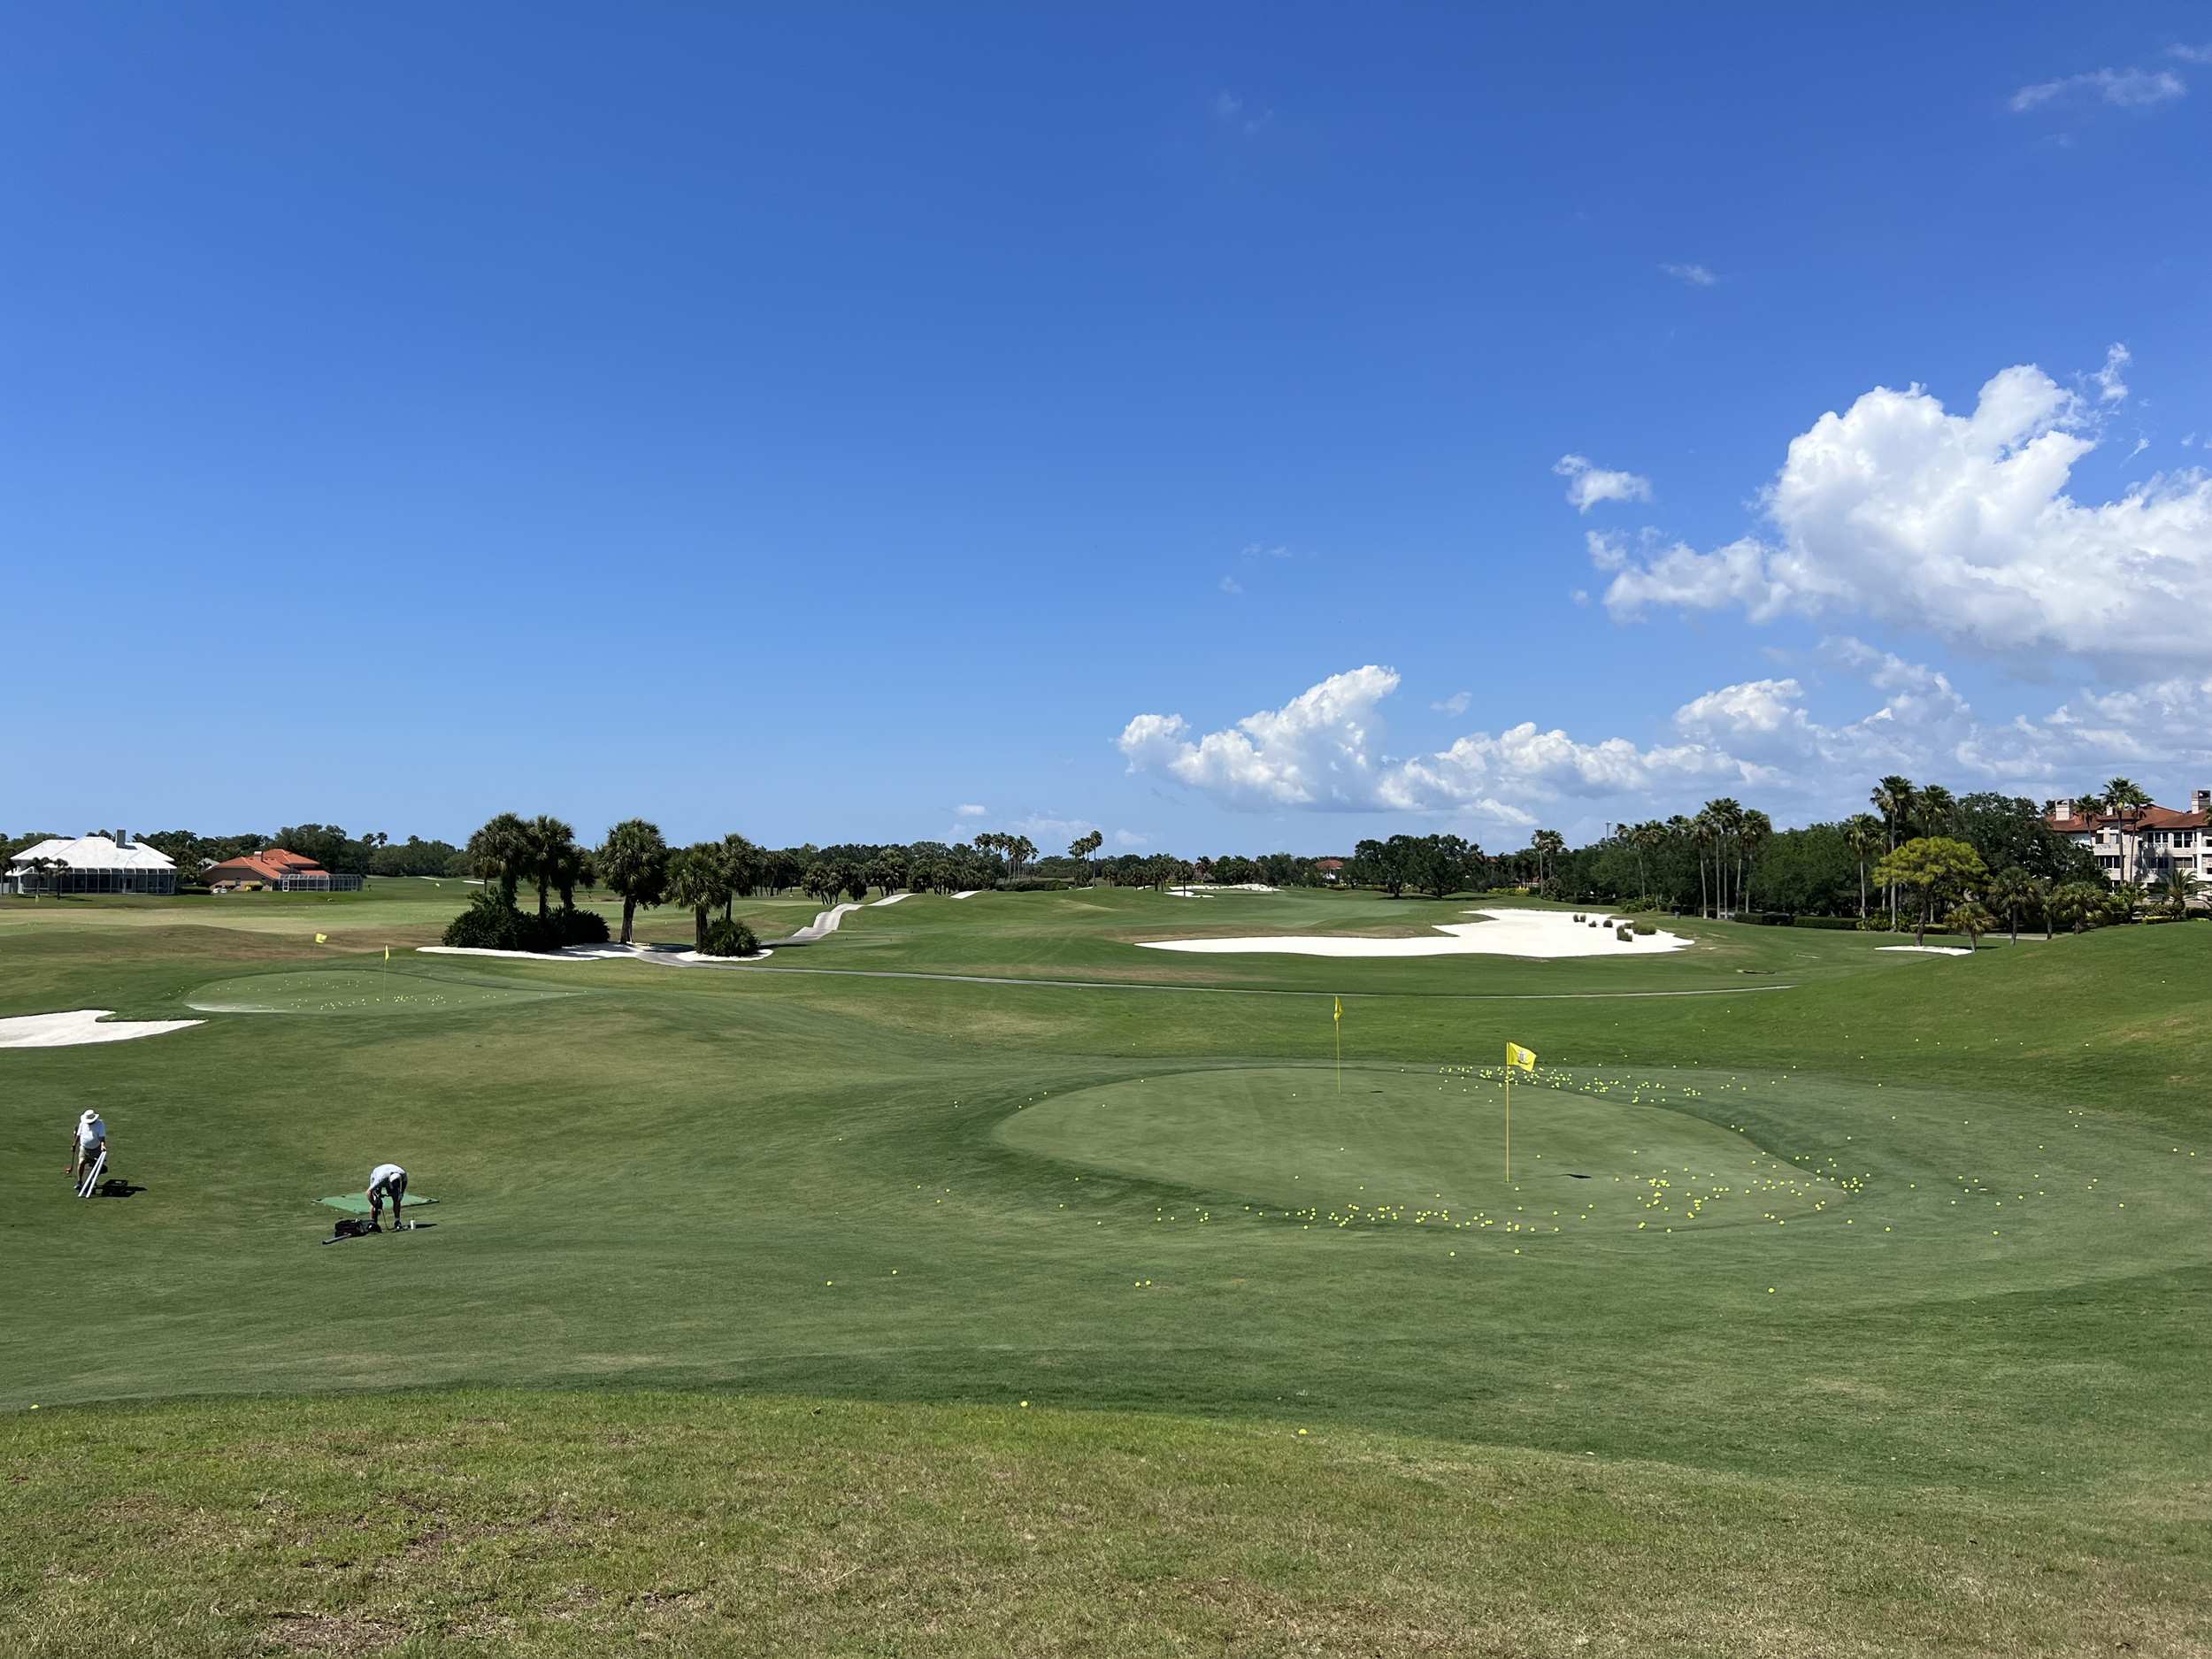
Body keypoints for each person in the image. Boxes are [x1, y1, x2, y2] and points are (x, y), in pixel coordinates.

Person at [66, 1110, 107, 1188]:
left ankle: (92, 1180)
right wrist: (74, 1145)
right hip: (84, 1148)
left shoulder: (100, 1124)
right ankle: (79, 1182)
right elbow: (78, 1135)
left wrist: (102, 1145)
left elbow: (102, 1137)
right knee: (81, 1163)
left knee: (96, 1166)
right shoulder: (83, 1123)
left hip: (96, 1149)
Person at [365, 1162, 410, 1231]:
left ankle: (397, 1221)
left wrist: (402, 1193)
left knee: (397, 1199)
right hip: (377, 1175)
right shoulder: (380, 1179)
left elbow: (404, 1182)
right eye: (395, 1184)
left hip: (388, 1175)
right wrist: (374, 1203)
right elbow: (368, 1192)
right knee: (376, 1199)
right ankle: (373, 1223)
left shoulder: (402, 1174)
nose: (396, 1185)